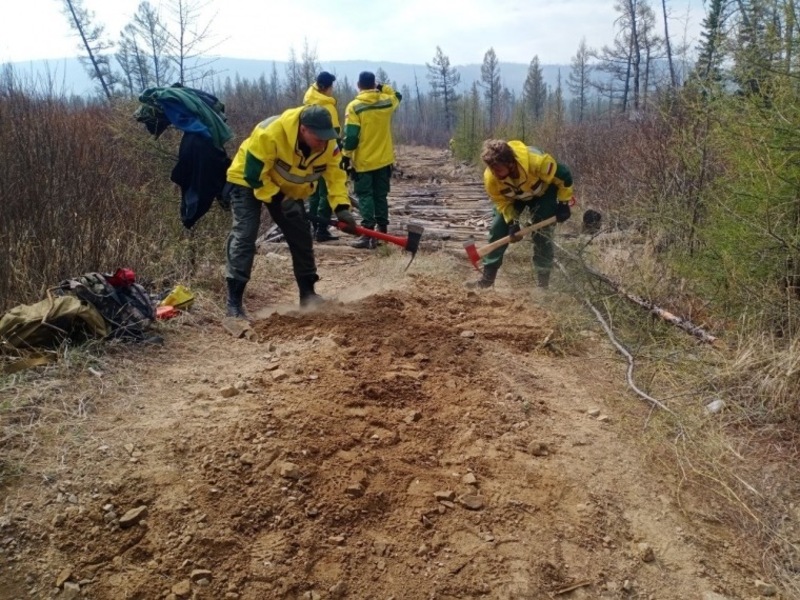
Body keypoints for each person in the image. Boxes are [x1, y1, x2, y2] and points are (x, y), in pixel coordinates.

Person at [223, 105, 357, 318]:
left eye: (326, 138)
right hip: (248, 179)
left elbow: (336, 176)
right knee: (246, 234)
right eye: (318, 139)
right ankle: (234, 304)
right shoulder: (270, 133)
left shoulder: (329, 143)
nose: (323, 143)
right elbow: (254, 176)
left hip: (283, 186)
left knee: (301, 235)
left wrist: (341, 208)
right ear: (304, 130)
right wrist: (280, 199)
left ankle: (308, 295)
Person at [466, 139, 574, 290]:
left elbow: (565, 177)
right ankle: (487, 280)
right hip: (513, 198)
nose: (494, 173)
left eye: (498, 169)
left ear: (510, 163)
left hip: (543, 193)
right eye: (491, 169)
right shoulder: (491, 178)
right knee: (498, 227)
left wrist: (563, 204)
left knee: (542, 234)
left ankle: (543, 285)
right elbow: (501, 202)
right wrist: (512, 222)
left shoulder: (538, 162)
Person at [342, 71, 402, 249]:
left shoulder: (354, 107)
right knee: (380, 195)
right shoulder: (386, 102)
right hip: (384, 160)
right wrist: (382, 87)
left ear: (358, 85)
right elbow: (397, 95)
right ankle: (382, 231)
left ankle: (368, 234)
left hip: (364, 162)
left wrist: (346, 155)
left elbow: (351, 136)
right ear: (374, 84)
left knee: (365, 196)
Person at [303, 71, 341, 242]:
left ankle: (313, 226)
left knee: (314, 192)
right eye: (331, 87)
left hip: (308, 154)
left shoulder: (308, 101)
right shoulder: (328, 108)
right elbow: (335, 134)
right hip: (325, 153)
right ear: (327, 88)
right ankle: (322, 229)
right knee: (326, 192)